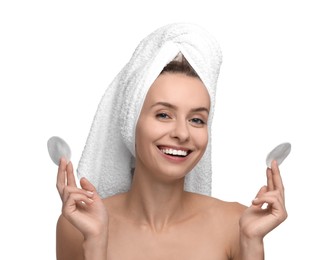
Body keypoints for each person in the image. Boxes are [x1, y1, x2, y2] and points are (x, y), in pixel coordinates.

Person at [55, 23, 287, 260]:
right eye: (163, 115)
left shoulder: (237, 225)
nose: (182, 133)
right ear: (131, 121)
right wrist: (95, 243)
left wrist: (251, 244)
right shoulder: (78, 226)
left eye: (196, 119)